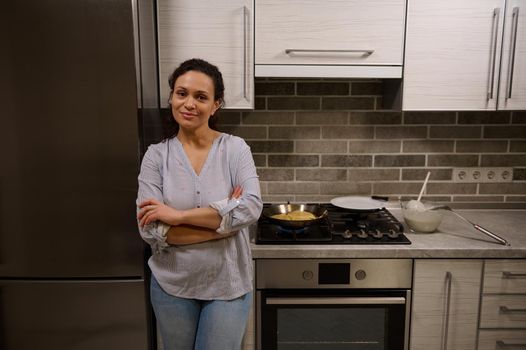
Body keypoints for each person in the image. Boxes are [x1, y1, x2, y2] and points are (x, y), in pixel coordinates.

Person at [136, 58, 263, 350]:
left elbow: (250, 207)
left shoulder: (235, 149)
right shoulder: (156, 156)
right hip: (172, 286)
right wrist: (224, 225)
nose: (189, 103)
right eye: (182, 93)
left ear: (216, 105)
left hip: (227, 285)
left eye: (201, 97)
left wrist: (177, 216)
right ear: (171, 97)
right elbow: (152, 230)